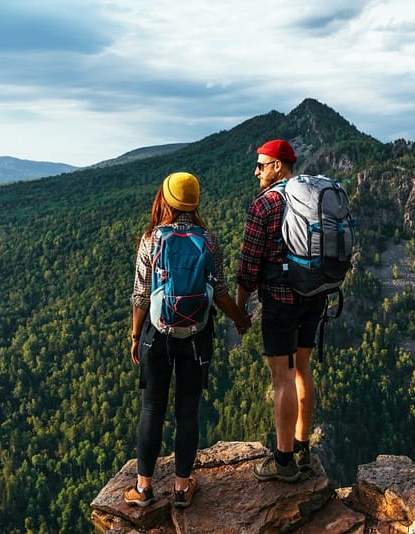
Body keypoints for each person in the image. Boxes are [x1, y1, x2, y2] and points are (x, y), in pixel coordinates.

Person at [126, 171, 251, 508]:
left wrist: (137, 336)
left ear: (165, 199)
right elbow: (220, 291)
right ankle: (182, 488)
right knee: (187, 410)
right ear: (194, 202)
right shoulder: (210, 240)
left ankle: (143, 489)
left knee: (152, 409)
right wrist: (240, 319)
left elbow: (140, 295)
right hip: (197, 336)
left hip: (158, 335)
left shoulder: (151, 239)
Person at [236, 140, 326, 483]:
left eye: (261, 164)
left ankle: (284, 461)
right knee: (302, 369)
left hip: (279, 300)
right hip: (314, 295)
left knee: (282, 377)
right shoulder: (313, 196)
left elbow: (248, 265)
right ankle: (303, 450)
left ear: (278, 166)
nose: (256, 171)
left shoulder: (266, 205)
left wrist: (242, 307)